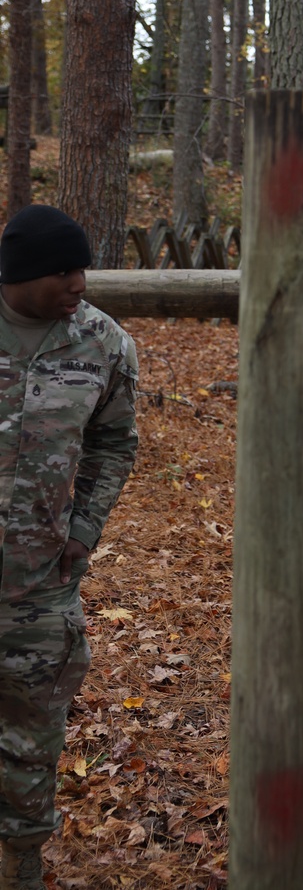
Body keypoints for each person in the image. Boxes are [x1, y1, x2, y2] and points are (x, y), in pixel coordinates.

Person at [0, 205, 138, 890]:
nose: (79, 281)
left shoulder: (103, 342)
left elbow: (115, 443)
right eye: (63, 269)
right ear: (20, 274)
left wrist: (84, 531)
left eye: (81, 267)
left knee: (33, 733)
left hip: (40, 586)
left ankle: (22, 857)